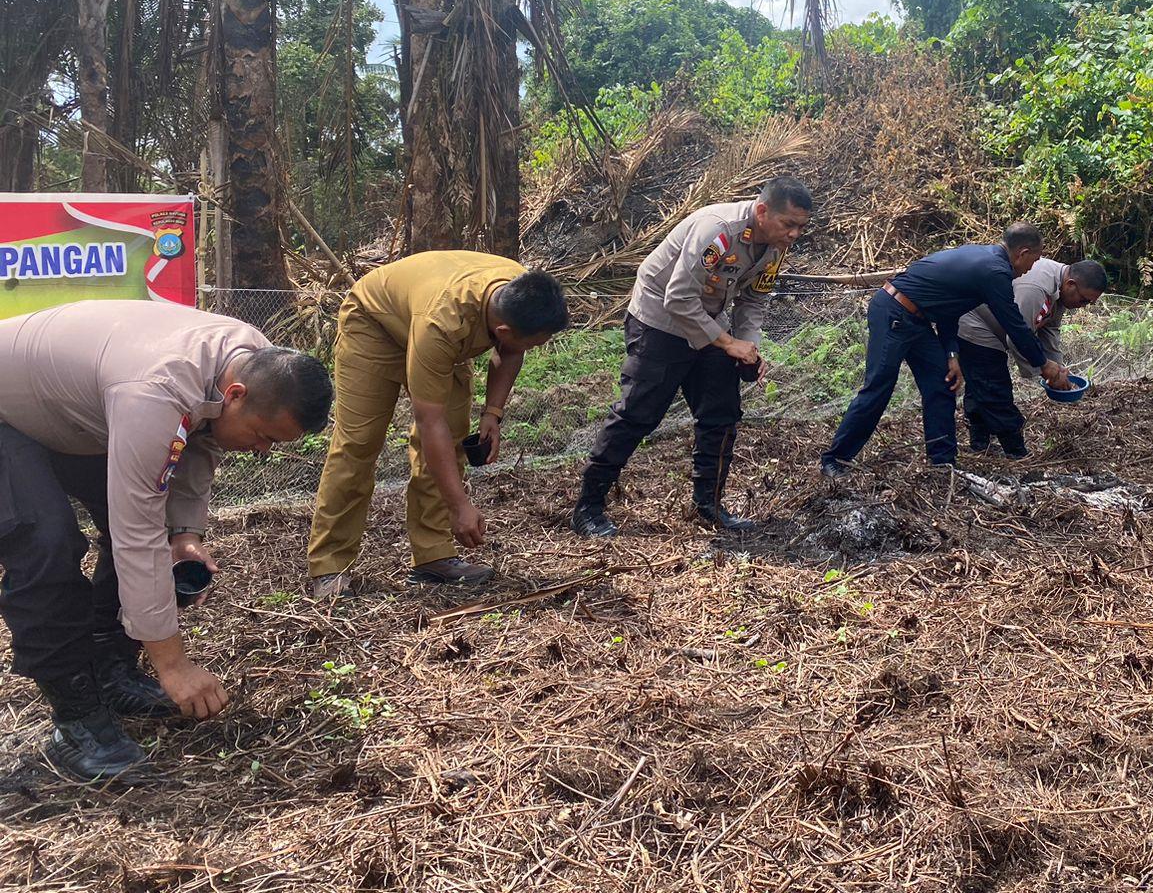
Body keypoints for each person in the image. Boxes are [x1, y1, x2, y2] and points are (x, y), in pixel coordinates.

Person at [0, 301, 332, 781]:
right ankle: (75, 721)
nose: (262, 451)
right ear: (236, 395)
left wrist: (185, 534)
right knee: (46, 542)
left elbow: (202, 438)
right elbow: (137, 535)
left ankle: (112, 671)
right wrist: (173, 666)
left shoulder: (255, 357)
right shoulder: (154, 392)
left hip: (61, 411)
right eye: (262, 436)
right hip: (9, 413)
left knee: (147, 527)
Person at [307, 255, 568, 599]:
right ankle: (329, 566)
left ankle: (433, 557)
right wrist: (461, 507)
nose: (535, 348)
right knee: (358, 443)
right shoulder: (443, 323)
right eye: (536, 342)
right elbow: (430, 422)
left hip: (429, 323)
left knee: (454, 438)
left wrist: (492, 413)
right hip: (375, 325)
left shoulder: (519, 290)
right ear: (503, 329)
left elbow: (511, 350)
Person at [572, 176, 814, 538]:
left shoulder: (776, 245)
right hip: (661, 322)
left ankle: (709, 505)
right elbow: (679, 298)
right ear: (763, 211)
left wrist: (747, 346)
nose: (794, 234)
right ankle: (588, 508)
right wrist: (727, 342)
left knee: (722, 413)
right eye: (788, 224)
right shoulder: (717, 231)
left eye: (801, 227)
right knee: (637, 414)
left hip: (710, 322)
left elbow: (754, 299)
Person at [820, 224, 1072, 476]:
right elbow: (1014, 324)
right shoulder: (995, 271)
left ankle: (943, 464)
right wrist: (1044, 364)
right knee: (879, 387)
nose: (1031, 268)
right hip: (894, 311)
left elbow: (950, 308)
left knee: (942, 384)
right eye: (1034, 260)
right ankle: (835, 459)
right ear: (1022, 253)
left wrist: (951, 354)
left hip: (917, 320)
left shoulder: (985, 260)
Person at [955, 258, 1108, 458]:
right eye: (1084, 300)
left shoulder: (1060, 289)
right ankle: (1017, 453)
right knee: (994, 388)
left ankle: (979, 446)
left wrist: (1058, 369)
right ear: (1071, 284)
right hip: (976, 323)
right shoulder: (1036, 288)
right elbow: (1018, 336)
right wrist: (1044, 369)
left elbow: (1049, 329)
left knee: (981, 386)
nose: (1084, 306)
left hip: (996, 326)